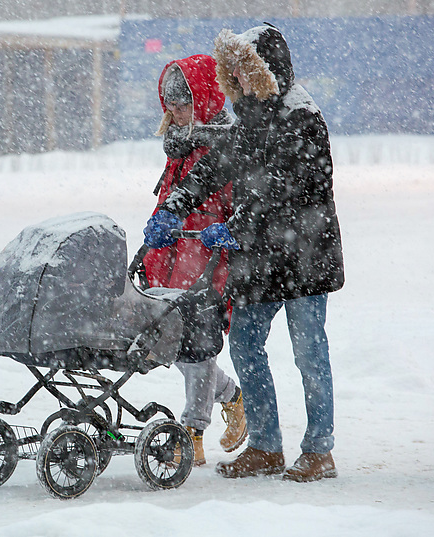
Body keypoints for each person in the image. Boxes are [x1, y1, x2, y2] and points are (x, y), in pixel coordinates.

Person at [143, 24, 345, 482]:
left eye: (245, 71)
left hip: (305, 258)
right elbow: (215, 169)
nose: (239, 79)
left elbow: (289, 191)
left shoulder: (302, 119)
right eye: (233, 72)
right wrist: (176, 205)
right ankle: (266, 445)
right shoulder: (245, 117)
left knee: (308, 352)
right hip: (260, 259)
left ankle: (319, 450)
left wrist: (232, 227)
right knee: (246, 345)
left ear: (268, 70)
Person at [138, 54, 246, 467]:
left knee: (198, 346)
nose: (177, 113)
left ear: (204, 98)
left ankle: (192, 431)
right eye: (171, 106)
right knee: (179, 348)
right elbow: (172, 194)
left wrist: (227, 234)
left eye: (184, 104)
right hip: (174, 252)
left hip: (210, 255)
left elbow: (238, 201)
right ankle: (232, 397)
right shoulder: (180, 143)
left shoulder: (227, 141)